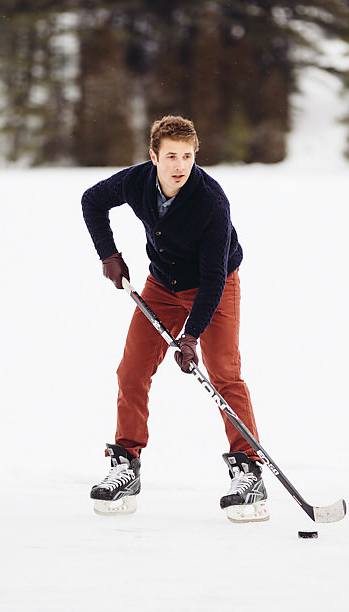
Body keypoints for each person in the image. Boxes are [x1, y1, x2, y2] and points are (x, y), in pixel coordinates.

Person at [81, 115, 267, 522]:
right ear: (153, 157)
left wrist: (190, 337)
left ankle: (248, 469)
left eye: (187, 156)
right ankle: (125, 463)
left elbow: (215, 277)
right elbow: (91, 201)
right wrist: (108, 255)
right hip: (161, 286)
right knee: (131, 370)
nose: (179, 166)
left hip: (211, 287)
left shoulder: (211, 202)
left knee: (224, 372)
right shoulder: (136, 182)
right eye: (170, 157)